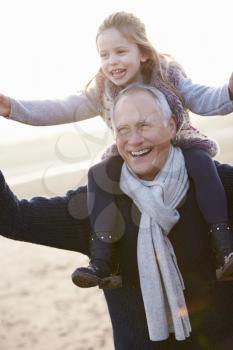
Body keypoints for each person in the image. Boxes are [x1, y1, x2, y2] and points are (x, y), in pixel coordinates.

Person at [1, 11, 233, 285]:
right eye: (104, 55)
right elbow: (62, 108)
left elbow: (202, 98)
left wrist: (228, 92)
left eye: (120, 51)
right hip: (130, 155)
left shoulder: (166, 74)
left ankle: (224, 246)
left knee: (202, 164)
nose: (112, 61)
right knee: (99, 173)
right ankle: (103, 260)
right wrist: (12, 107)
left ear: (143, 52)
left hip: (181, 143)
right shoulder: (103, 89)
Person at [0, 84, 233, 349]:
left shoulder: (217, 185)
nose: (134, 140)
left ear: (171, 125)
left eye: (144, 125)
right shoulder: (99, 201)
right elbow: (14, 219)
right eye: (123, 129)